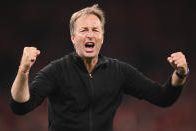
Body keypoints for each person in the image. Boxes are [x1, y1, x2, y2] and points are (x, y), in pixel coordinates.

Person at [10, 4, 189, 131]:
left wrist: (181, 73)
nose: (90, 35)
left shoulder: (119, 71)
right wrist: (23, 70)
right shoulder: (56, 71)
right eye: (83, 30)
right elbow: (21, 106)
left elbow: (164, 97)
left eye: (95, 30)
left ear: (102, 37)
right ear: (73, 37)